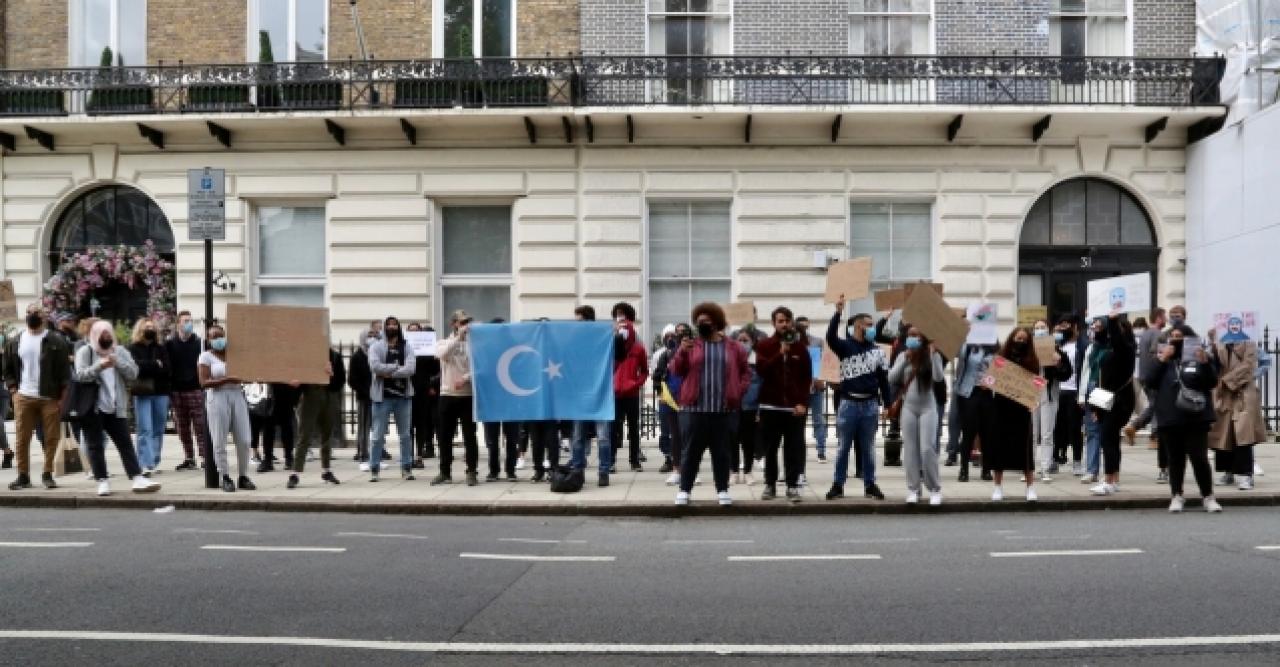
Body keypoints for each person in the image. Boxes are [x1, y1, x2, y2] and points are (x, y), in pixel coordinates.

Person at [669, 302, 750, 506]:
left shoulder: (733, 347)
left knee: (721, 453)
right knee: (691, 452)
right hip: (694, 408)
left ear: (716, 323)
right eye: (699, 322)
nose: (702, 325)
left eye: (706, 321)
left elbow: (745, 373)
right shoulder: (691, 345)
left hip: (722, 409)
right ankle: (685, 490)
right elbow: (676, 370)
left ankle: (722, 490)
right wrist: (681, 351)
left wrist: (737, 392)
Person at [73, 321, 161, 496]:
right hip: (94, 407)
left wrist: (117, 362)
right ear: (95, 335)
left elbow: (134, 373)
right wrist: (100, 366)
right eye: (103, 334)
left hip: (116, 406)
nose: (107, 337)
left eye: (109, 334)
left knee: (125, 443)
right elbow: (81, 375)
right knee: (95, 445)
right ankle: (102, 480)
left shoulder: (119, 351)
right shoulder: (86, 351)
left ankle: (137, 477)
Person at [1144, 325, 1222, 513]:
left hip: (1195, 416)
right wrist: (1163, 359)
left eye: (1181, 337)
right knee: (1175, 459)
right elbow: (1150, 381)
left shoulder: (1198, 357)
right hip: (1170, 416)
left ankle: (1208, 496)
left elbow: (1211, 382)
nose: (1176, 340)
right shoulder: (1162, 358)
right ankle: (1177, 495)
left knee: (1199, 458)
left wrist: (1204, 363)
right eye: (1173, 337)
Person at [825, 298, 891, 501]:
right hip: (849, 404)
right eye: (869, 325)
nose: (872, 329)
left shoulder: (877, 351)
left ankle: (870, 484)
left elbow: (883, 380)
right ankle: (838, 484)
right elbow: (830, 337)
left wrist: (887, 404)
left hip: (870, 404)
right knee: (843, 446)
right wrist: (837, 313)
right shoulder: (845, 347)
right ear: (858, 326)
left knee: (868, 448)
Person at [4, 305, 72, 490]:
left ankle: (47, 473)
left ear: (44, 317)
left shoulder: (56, 340)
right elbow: (7, 368)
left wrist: (61, 398)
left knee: (51, 437)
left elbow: (65, 372)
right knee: (22, 438)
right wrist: (13, 391)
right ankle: (23, 475)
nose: (32, 315)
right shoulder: (15, 341)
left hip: (49, 397)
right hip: (23, 396)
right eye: (29, 313)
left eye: (36, 313)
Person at [755, 306, 814, 502]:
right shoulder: (764, 345)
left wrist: (803, 402)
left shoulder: (800, 348)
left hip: (793, 408)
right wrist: (780, 353)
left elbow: (806, 378)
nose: (785, 324)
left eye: (788, 320)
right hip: (770, 406)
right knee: (770, 448)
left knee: (793, 448)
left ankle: (792, 485)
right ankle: (770, 484)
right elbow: (762, 370)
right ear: (773, 323)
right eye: (780, 321)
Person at [887, 326, 944, 505]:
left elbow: (938, 377)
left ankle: (934, 488)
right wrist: (905, 359)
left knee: (927, 449)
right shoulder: (903, 355)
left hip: (928, 408)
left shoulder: (932, 354)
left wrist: (934, 355)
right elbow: (892, 378)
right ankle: (913, 489)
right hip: (909, 408)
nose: (912, 338)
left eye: (916, 336)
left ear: (923, 338)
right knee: (910, 450)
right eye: (909, 336)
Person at [197, 324, 256, 493]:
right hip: (217, 396)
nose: (218, 340)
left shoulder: (234, 355)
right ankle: (225, 476)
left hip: (237, 394)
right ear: (209, 340)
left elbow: (247, 374)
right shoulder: (205, 357)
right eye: (214, 337)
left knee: (244, 440)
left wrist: (247, 377)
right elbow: (203, 382)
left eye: (221, 336)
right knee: (219, 440)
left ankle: (243, 475)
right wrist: (226, 379)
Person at [987, 328, 1042, 502]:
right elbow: (991, 380)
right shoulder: (1002, 358)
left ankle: (1030, 486)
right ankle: (997, 486)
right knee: (999, 447)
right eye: (1018, 338)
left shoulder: (1032, 360)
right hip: (1002, 406)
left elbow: (1036, 383)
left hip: (1021, 407)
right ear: (1012, 338)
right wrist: (988, 382)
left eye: (1024, 339)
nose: (1020, 341)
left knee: (1025, 449)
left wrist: (1034, 401)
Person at [1208, 327, 1266, 491]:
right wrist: (1212, 344)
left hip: (1243, 395)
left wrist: (1226, 381)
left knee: (1243, 436)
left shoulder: (1249, 345)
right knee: (1224, 436)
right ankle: (1228, 472)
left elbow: (1248, 368)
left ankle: (1246, 474)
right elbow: (1214, 366)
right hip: (1225, 396)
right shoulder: (1220, 345)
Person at [1085, 311, 1136, 496]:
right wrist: (1097, 407)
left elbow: (1118, 340)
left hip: (1119, 400)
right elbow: (1102, 379)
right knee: (1111, 439)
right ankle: (1113, 479)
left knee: (1108, 439)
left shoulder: (1126, 349)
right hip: (1106, 397)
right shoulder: (1109, 348)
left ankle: (1108, 480)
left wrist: (1113, 321)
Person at [570, 305, 614, 487]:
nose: (577, 325)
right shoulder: (574, 340)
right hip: (580, 393)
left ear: (589, 321)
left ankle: (603, 471)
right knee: (578, 436)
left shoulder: (601, 337)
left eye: (580, 321)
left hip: (600, 392)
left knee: (603, 435)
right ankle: (578, 469)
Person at [288, 346, 345, 489]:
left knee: (327, 435)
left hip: (329, 395)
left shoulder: (335, 356)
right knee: (304, 435)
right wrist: (297, 384)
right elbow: (300, 378)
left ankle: (326, 470)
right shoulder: (308, 355)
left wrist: (331, 374)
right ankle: (295, 472)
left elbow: (341, 381)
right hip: (311, 395)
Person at [368, 316, 416, 482]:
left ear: (399, 327)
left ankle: (406, 468)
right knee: (377, 435)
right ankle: (374, 468)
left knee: (405, 435)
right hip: (382, 398)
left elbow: (410, 369)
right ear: (384, 328)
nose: (391, 327)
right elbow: (374, 366)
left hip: (403, 397)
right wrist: (396, 367)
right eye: (388, 324)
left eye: (394, 324)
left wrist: (388, 372)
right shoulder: (376, 347)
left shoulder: (407, 346)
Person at [434, 310, 480, 486]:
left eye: (467, 322)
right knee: (445, 436)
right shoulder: (444, 342)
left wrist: (465, 378)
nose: (465, 326)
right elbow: (442, 355)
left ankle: (471, 471)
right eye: (462, 323)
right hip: (447, 394)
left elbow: (479, 366)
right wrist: (457, 338)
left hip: (467, 395)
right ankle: (445, 472)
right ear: (454, 324)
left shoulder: (474, 345)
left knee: (470, 436)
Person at [950, 335, 998, 484]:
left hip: (986, 393)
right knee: (968, 432)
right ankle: (964, 469)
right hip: (968, 392)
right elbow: (955, 352)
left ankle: (986, 469)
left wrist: (989, 382)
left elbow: (999, 370)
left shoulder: (994, 349)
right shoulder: (967, 346)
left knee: (987, 433)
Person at [1030, 319, 1073, 481]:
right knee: (1032, 434)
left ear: (1048, 331)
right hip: (1032, 394)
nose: (1040, 330)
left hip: (1049, 395)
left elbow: (1066, 374)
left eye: (1043, 327)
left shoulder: (1058, 351)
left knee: (1047, 433)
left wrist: (1058, 362)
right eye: (1037, 328)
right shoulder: (1029, 351)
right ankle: (1030, 468)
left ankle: (1045, 468)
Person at [127, 318, 171, 476]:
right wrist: (154, 364)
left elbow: (166, 368)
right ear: (140, 330)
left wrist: (149, 366)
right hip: (142, 392)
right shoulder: (132, 348)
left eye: (152, 327)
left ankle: (154, 460)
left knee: (158, 429)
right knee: (145, 428)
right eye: (147, 327)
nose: (150, 330)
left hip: (161, 392)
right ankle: (145, 462)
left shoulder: (160, 348)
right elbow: (135, 368)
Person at [165, 311, 207, 471]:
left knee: (200, 425)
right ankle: (189, 457)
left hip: (195, 388)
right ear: (178, 324)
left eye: (190, 320)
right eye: (186, 321)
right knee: (182, 427)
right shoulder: (170, 344)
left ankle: (204, 457)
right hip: (177, 390)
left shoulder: (199, 343)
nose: (189, 323)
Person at [611, 302, 647, 472]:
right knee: (613, 429)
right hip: (616, 393)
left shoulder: (638, 349)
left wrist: (636, 384)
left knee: (633, 429)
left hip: (631, 394)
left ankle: (634, 460)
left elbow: (645, 371)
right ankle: (611, 460)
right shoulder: (612, 346)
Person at [1053, 316, 1086, 476]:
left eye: (1066, 325)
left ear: (1074, 327)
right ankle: (1056, 457)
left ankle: (1077, 461)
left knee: (1074, 428)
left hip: (1074, 390)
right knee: (1058, 427)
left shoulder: (1081, 345)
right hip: (1058, 390)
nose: (1063, 328)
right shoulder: (1058, 345)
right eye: (1061, 325)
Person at [731, 326, 762, 486]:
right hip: (734, 406)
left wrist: (759, 409)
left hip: (751, 407)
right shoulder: (730, 361)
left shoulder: (757, 362)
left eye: (746, 340)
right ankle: (734, 471)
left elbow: (762, 386)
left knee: (749, 441)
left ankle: (748, 471)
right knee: (733, 440)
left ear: (752, 342)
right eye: (740, 340)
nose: (743, 343)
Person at [794, 316, 828, 462]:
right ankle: (799, 449)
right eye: (801, 326)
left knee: (818, 419)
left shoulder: (817, 341)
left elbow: (825, 361)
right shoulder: (792, 342)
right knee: (798, 421)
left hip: (815, 386)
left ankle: (821, 450)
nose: (804, 329)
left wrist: (822, 378)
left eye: (805, 326)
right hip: (799, 388)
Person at [407, 323, 440, 466]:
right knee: (407, 425)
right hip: (407, 390)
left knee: (421, 424)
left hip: (422, 389)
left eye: (417, 331)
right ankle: (408, 455)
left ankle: (419, 455)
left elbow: (434, 370)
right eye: (411, 331)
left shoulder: (427, 349)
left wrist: (433, 355)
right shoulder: (404, 348)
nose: (414, 334)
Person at [348, 329, 375, 470]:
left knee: (375, 425)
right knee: (364, 425)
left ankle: (375, 451)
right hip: (364, 396)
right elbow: (352, 380)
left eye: (372, 336)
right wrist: (365, 391)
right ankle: (362, 452)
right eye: (369, 336)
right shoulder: (357, 357)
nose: (371, 339)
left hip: (376, 395)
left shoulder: (375, 354)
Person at [258, 382, 298, 472]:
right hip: (272, 391)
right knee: (268, 426)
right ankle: (268, 459)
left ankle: (289, 458)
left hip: (287, 389)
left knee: (287, 426)